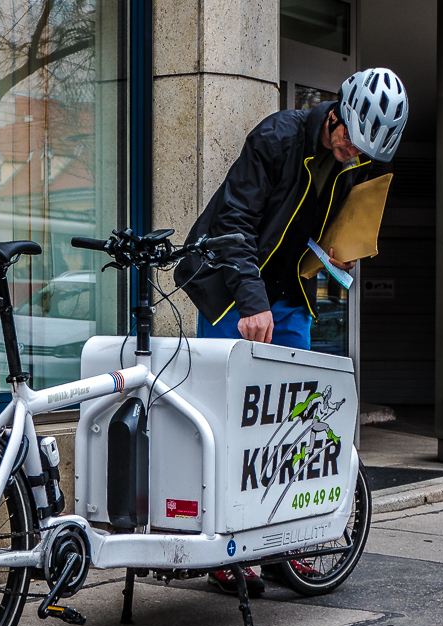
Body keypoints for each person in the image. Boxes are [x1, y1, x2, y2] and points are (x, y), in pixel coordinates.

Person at [173, 67, 409, 597]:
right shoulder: (276, 138)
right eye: (352, 140)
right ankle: (223, 548)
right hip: (230, 285)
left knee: (296, 417)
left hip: (289, 290)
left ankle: (279, 534)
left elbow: (334, 226)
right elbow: (233, 222)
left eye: (366, 150)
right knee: (225, 421)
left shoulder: (357, 161)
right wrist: (251, 305)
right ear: (336, 115)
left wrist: (342, 253)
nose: (355, 153)